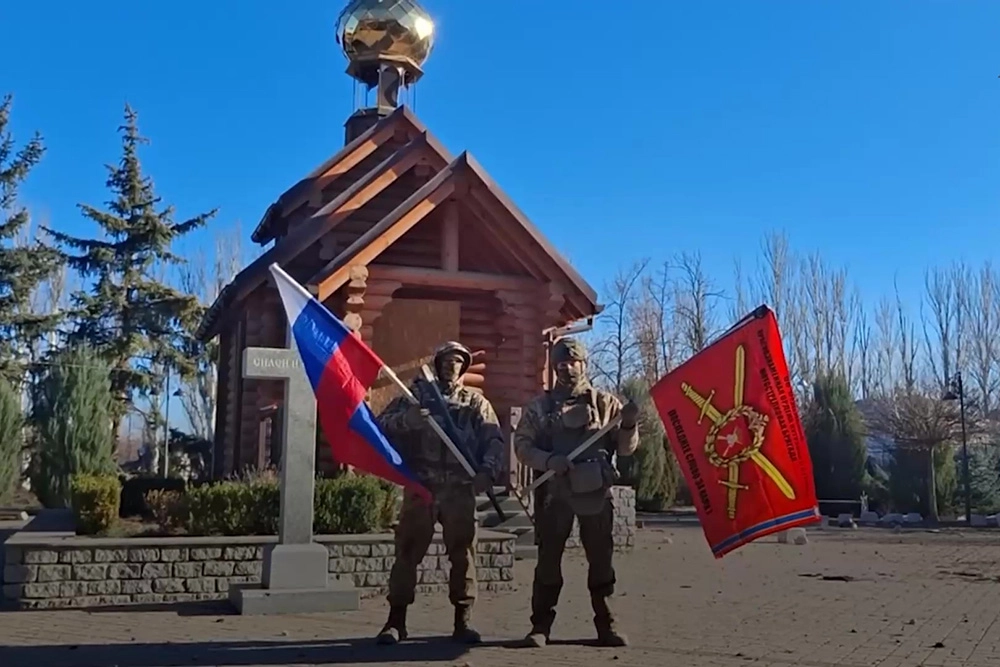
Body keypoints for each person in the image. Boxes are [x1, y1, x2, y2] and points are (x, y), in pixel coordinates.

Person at [375, 341, 505, 645]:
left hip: (459, 490)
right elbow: (381, 425)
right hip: (422, 486)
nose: (453, 366)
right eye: (448, 360)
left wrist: (487, 470)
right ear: (438, 363)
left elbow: (494, 439)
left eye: (459, 362)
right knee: (407, 553)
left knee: (462, 555)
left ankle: (463, 621)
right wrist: (409, 420)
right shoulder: (415, 397)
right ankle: (396, 622)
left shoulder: (475, 403)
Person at [513, 337, 639, 648]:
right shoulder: (539, 407)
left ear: (584, 363)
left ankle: (606, 622)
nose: (567, 368)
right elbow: (522, 445)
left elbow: (625, 449)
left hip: (595, 493)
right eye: (561, 363)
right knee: (548, 560)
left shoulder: (606, 403)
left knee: (601, 559)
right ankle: (540, 625)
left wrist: (629, 425)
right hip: (554, 494)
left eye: (573, 361)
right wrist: (547, 460)